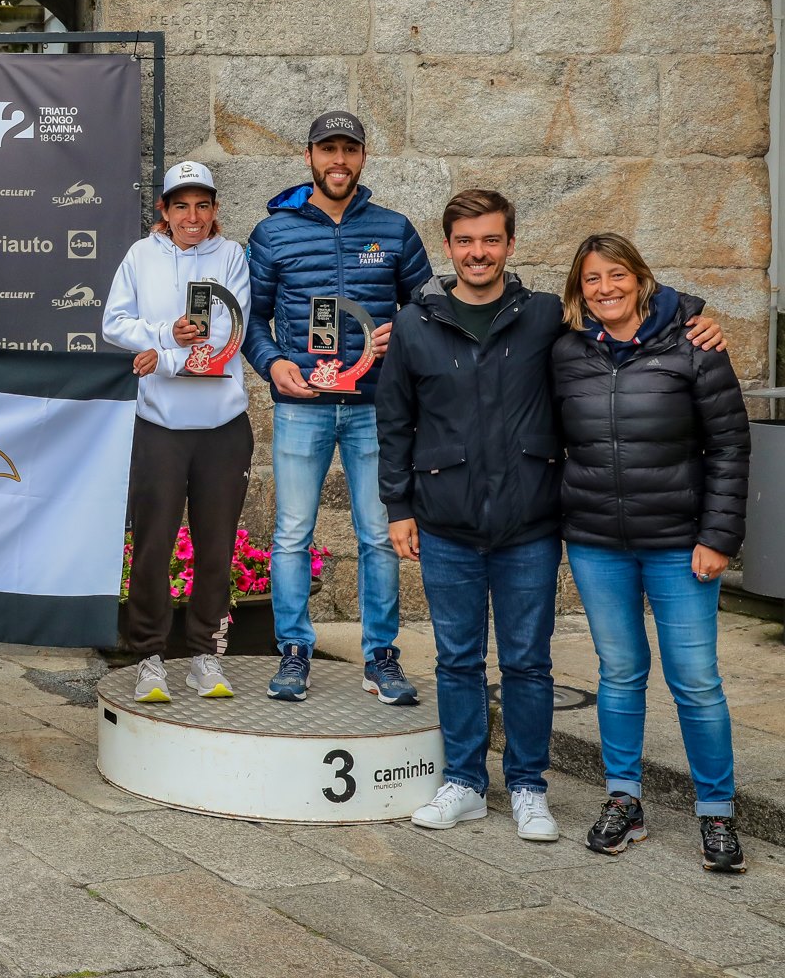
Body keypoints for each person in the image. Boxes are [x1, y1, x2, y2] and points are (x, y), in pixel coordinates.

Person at [376, 193, 724, 842]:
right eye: (465, 241)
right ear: (448, 247)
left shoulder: (544, 319)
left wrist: (697, 313)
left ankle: (530, 786)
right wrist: (398, 506)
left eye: (491, 240)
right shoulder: (415, 324)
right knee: (455, 660)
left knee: (529, 662)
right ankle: (466, 783)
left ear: (509, 245)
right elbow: (394, 421)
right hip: (445, 522)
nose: (478, 252)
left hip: (530, 524)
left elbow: (624, 305)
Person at [551, 233, 750, 873]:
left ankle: (716, 811)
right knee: (619, 672)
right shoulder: (565, 351)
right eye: (591, 280)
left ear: (641, 278)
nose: (605, 289)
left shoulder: (694, 345)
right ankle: (624, 799)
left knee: (694, 680)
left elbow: (729, 447)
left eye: (616, 276)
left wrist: (719, 537)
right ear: (578, 292)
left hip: (680, 544)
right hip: (596, 542)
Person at [242, 111, 431, 704]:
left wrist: (399, 334)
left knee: (379, 534)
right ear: (310, 157)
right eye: (329, 150)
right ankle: (294, 651)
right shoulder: (273, 234)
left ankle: (381, 656)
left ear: (364, 157)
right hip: (303, 406)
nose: (339, 161)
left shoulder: (394, 229)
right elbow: (249, 318)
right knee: (292, 533)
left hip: (377, 408)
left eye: (350, 149)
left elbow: (428, 311)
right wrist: (274, 365)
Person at [103, 162, 252, 701]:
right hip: (159, 426)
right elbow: (113, 322)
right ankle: (149, 656)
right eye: (181, 206)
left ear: (215, 211)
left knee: (216, 549)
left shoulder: (233, 256)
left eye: (203, 205)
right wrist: (165, 331)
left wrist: (161, 356)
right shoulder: (141, 257)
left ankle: (206, 657)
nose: (193, 217)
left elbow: (228, 333)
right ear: (163, 212)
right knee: (151, 546)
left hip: (222, 426)